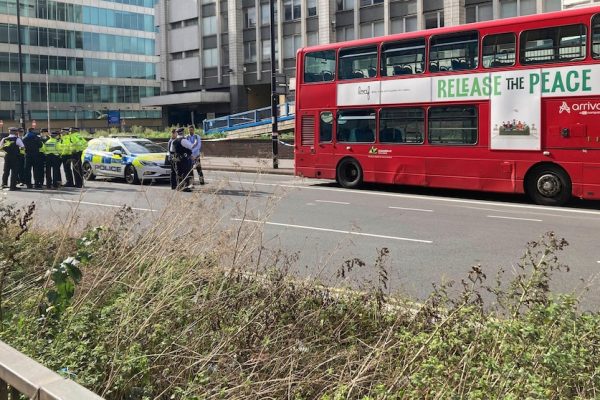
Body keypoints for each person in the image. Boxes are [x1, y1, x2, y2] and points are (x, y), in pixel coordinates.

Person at [169, 127, 193, 192]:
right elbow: (191, 146)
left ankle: (179, 186)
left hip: (177, 160)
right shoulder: (183, 140)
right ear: (183, 133)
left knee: (178, 173)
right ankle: (185, 187)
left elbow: (171, 151)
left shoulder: (174, 141)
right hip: (185, 160)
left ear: (177, 133)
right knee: (185, 172)